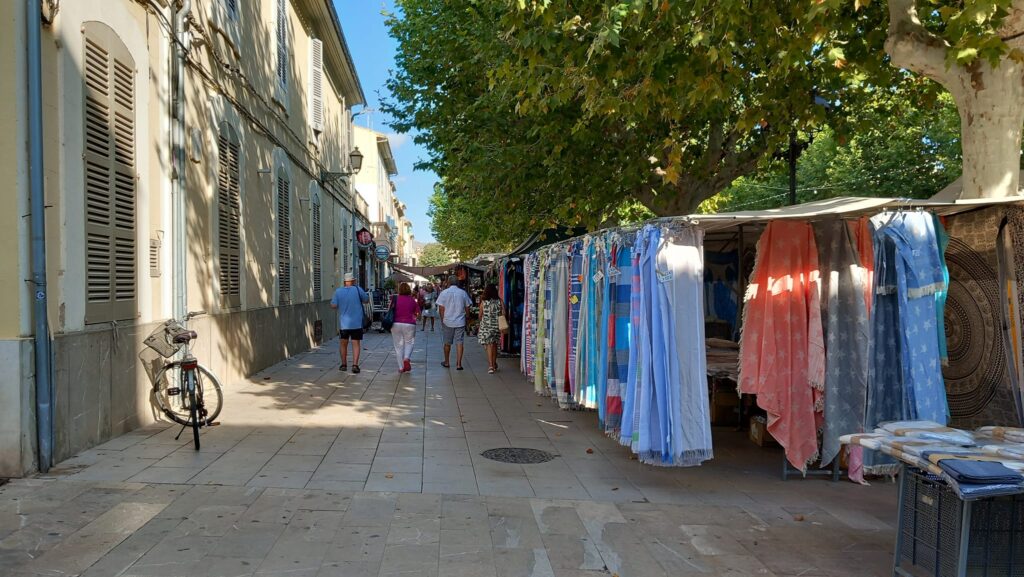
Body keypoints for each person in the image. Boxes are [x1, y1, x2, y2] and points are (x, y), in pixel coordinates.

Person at [330, 272, 369, 373]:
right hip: (356, 323)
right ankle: (355, 365)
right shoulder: (358, 289)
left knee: (343, 344)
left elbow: (333, 305)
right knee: (356, 344)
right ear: (353, 281)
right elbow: (366, 300)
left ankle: (343, 364)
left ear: (344, 282)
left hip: (344, 324)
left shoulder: (338, 291)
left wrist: (341, 304)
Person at [436, 277, 473, 370]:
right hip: (460, 321)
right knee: (459, 342)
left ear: (448, 283)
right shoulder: (463, 293)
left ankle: (447, 362)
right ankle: (459, 364)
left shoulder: (444, 293)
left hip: (447, 321)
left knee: (447, 343)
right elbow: (467, 307)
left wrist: (442, 319)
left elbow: (441, 308)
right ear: (457, 283)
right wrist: (467, 317)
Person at [390, 282, 421, 373]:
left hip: (396, 323)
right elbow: (418, 314)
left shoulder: (394, 299)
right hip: (409, 324)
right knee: (409, 342)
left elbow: (390, 310)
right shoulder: (412, 300)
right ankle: (406, 358)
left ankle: (400, 367)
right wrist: (416, 317)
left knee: (398, 346)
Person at [477, 284, 505, 374]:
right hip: (496, 326)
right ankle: (494, 363)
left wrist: (481, 323)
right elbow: (504, 313)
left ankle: (491, 366)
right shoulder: (500, 301)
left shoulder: (484, 302)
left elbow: (480, 315)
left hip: (486, 326)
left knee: (489, 345)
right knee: (495, 345)